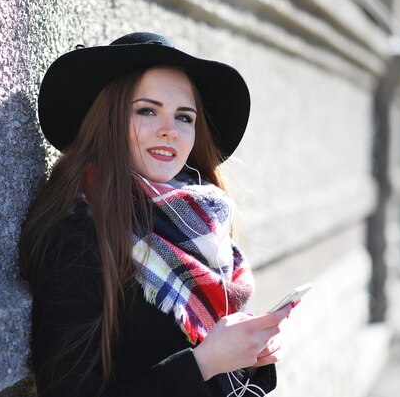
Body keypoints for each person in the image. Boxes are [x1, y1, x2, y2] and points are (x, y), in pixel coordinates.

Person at [19, 32, 293, 397]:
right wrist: (205, 362)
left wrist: (247, 357)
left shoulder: (201, 227)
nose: (169, 130)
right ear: (109, 121)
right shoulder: (79, 238)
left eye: (184, 117)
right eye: (147, 110)